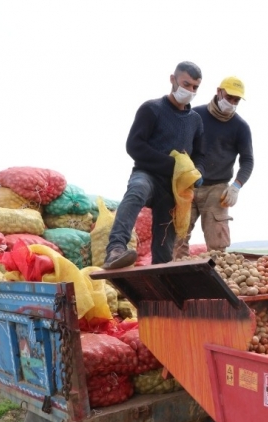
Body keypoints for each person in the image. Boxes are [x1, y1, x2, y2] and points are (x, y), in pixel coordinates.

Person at [103, 61, 206, 269]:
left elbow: (201, 156)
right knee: (136, 190)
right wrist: (172, 165)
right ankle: (115, 249)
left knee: (164, 247)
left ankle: (162, 281)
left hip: (173, 188)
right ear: (172, 79)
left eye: (195, 87)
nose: (190, 90)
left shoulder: (195, 121)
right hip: (147, 174)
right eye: (186, 84)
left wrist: (198, 174)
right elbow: (134, 145)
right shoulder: (152, 109)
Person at [173, 76, 254, 259]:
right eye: (229, 97)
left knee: (218, 245)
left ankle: (216, 280)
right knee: (177, 238)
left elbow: (248, 160)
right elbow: (178, 145)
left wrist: (236, 186)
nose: (232, 103)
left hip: (218, 189)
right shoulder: (195, 115)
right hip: (189, 185)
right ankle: (176, 279)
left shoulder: (240, 127)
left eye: (236, 100)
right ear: (218, 92)